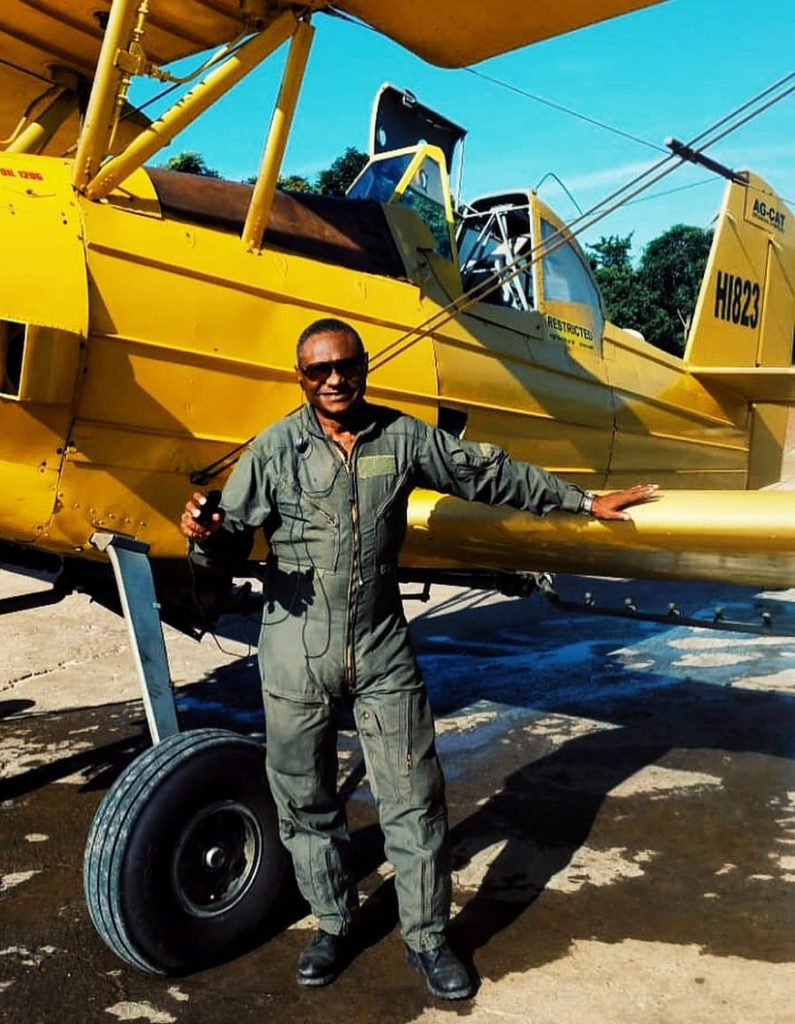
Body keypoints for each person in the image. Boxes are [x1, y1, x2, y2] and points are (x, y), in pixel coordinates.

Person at [180, 317, 656, 1000]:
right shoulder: (274, 448)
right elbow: (228, 542)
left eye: (346, 365)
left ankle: (428, 939)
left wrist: (581, 500)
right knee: (305, 799)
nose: (335, 379)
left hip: (381, 647)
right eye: (318, 371)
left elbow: (487, 472)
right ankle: (332, 924)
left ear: (364, 366)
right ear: (300, 378)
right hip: (294, 650)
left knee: (414, 799)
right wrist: (203, 536)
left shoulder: (401, 437)